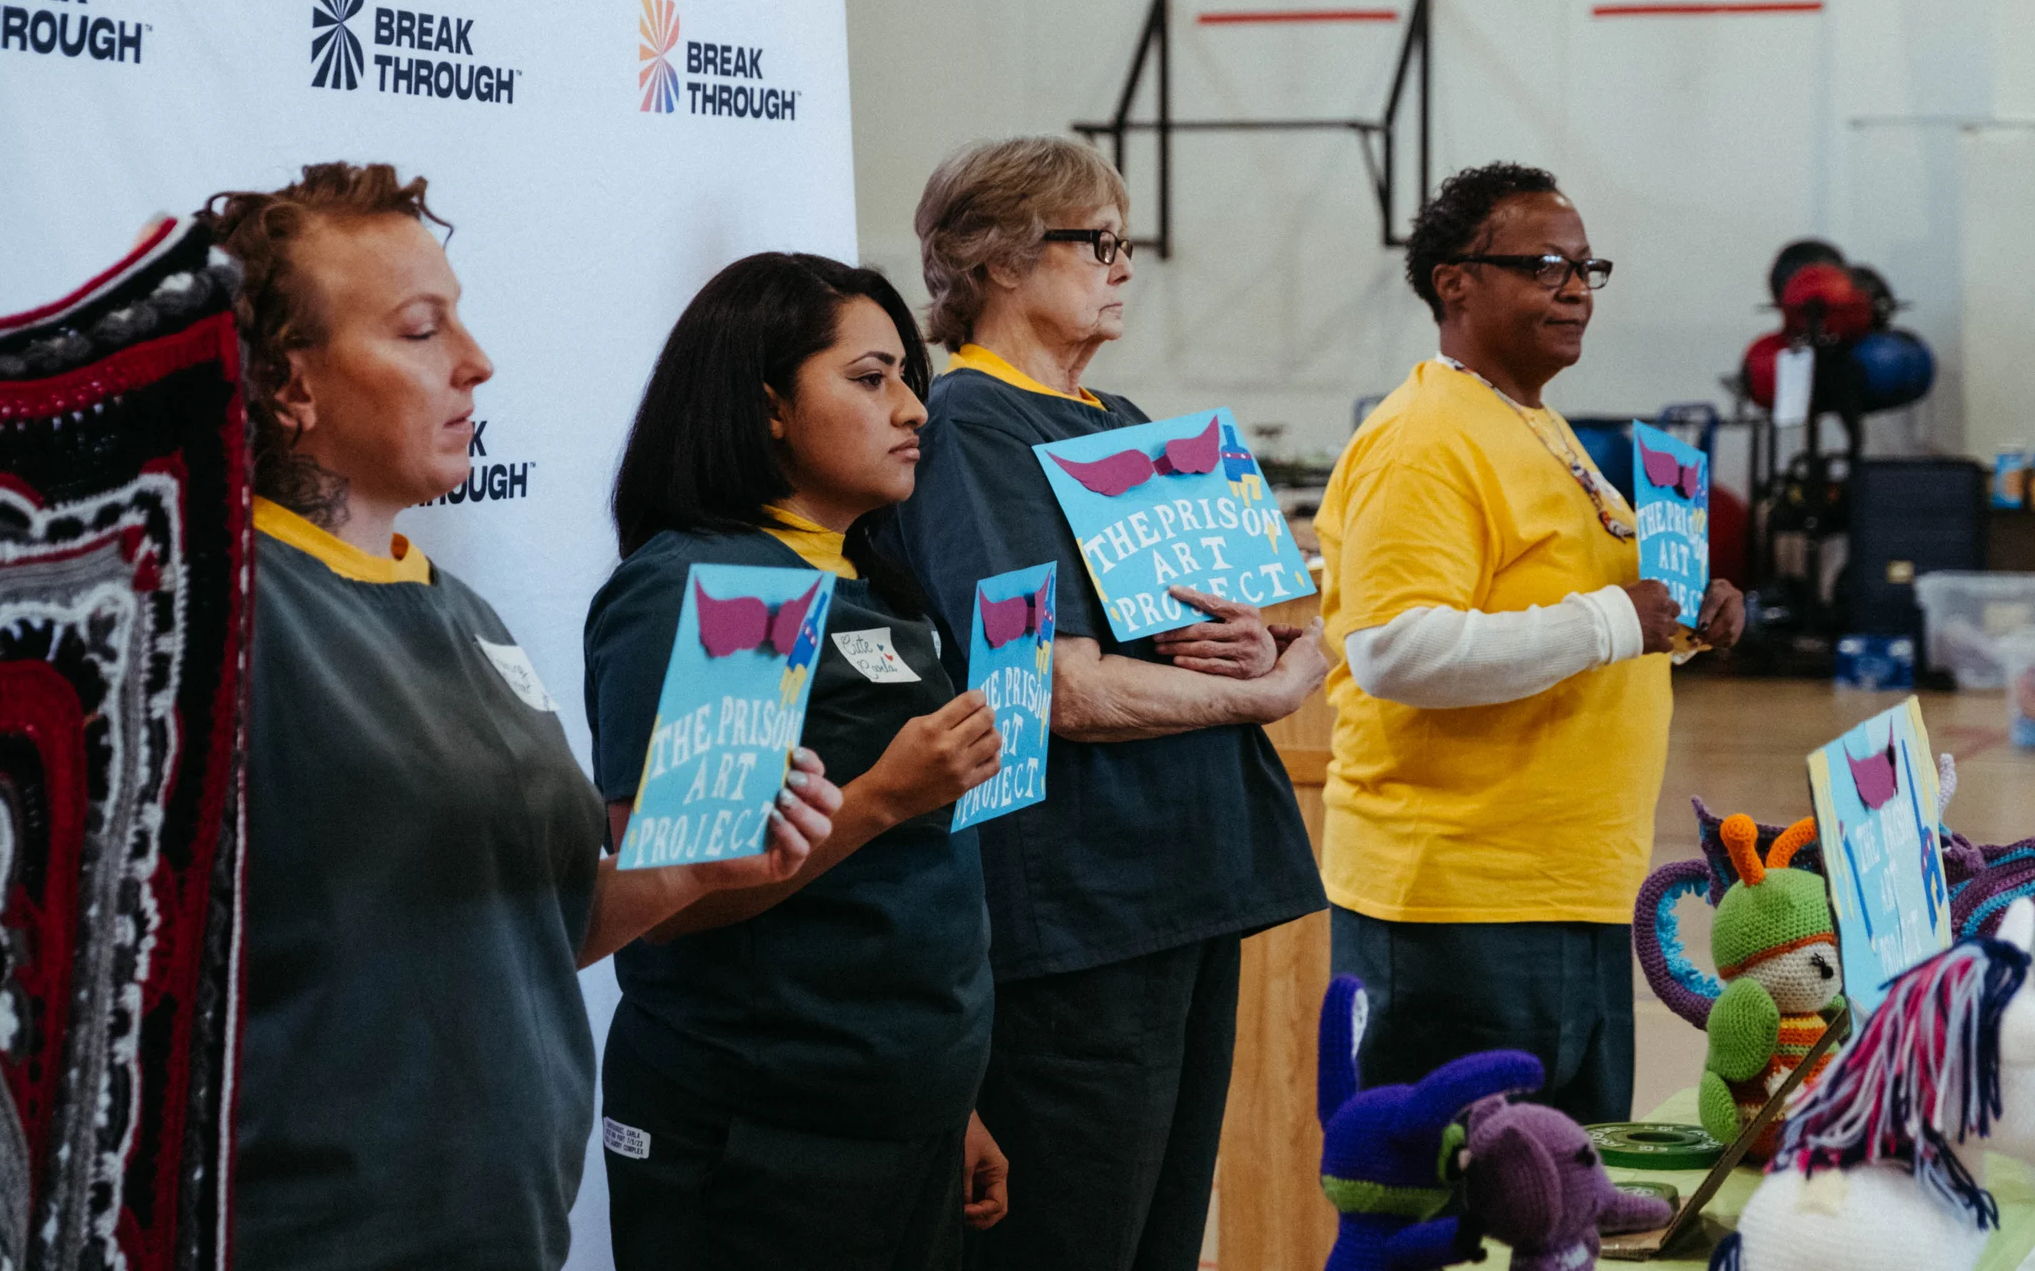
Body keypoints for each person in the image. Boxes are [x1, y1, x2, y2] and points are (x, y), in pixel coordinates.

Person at [208, 163, 841, 1271]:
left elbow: (534, 933)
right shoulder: (229, 613)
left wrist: (695, 864)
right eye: (419, 331)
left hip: (504, 1231)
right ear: (286, 383)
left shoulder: (466, 614)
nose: (476, 361)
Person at [882, 136, 1330, 1271]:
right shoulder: (972, 428)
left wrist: (1270, 646)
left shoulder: (1118, 416)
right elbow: (1049, 684)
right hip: (1084, 912)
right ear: (996, 259)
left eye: (1130, 243)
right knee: (1080, 1233)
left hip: (1181, 890)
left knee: (1163, 1233)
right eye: (1098, 243)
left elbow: (1259, 625)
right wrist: (1257, 694)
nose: (1126, 266)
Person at [585, 251, 1012, 1271]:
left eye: (909, 375)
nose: (913, 409)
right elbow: (673, 899)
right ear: (768, 405)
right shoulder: (714, 588)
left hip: (897, 1113)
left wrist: (948, 1103)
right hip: (763, 1127)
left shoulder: (874, 577)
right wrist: (880, 797)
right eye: (871, 379)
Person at [1315, 161, 1746, 1123]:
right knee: (1447, 1222)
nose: (1574, 287)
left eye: (1587, 266)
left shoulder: (1536, 425)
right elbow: (1395, 649)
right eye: (1544, 264)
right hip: (1459, 904)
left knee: (1558, 1215)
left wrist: (1680, 626)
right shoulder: (1426, 435)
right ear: (1453, 282)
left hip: (1569, 887)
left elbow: (1574, 615)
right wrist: (1610, 620)